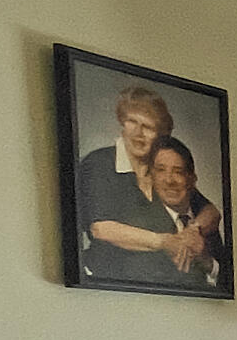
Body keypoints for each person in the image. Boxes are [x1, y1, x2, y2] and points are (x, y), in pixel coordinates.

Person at [77, 85, 178, 284]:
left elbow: (208, 210)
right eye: (132, 121)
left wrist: (195, 229)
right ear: (122, 123)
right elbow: (101, 229)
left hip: (158, 286)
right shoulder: (98, 163)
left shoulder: (162, 170)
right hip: (107, 285)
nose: (138, 133)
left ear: (160, 134)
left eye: (148, 126)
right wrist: (165, 242)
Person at [144, 137, 227, 285]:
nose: (169, 180)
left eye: (178, 171)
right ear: (151, 177)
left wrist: (207, 262)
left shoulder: (204, 221)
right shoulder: (144, 223)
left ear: (192, 179)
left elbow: (231, 282)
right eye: (161, 170)